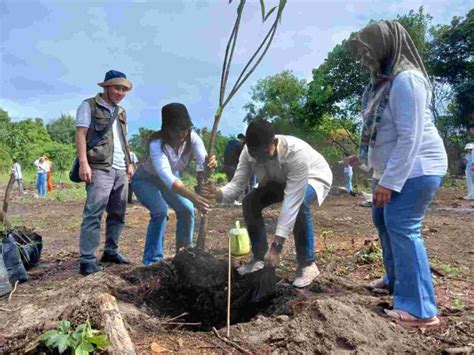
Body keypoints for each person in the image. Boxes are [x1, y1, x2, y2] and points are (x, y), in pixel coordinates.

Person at [345, 21, 448, 328]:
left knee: (402, 226)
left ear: (385, 47)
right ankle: (397, 280)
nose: (365, 58)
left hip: (417, 169)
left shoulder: (407, 80)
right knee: (383, 220)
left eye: (368, 51)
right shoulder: (382, 83)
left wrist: (389, 182)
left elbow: (410, 137)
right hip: (395, 170)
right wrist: (365, 162)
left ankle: (419, 309)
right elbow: (384, 135)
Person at [202, 119, 333, 288]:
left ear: (275, 143)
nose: (260, 160)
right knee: (250, 202)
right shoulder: (249, 153)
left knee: (300, 205)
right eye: (256, 155)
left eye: (264, 154)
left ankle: (307, 263)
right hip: (278, 179)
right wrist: (218, 193)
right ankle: (259, 258)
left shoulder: (295, 153)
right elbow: (237, 185)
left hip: (312, 176)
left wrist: (276, 246)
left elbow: (291, 202)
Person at [131, 103, 215, 266]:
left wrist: (209, 165)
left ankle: (184, 256)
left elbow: (202, 165)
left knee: (187, 210)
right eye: (175, 129)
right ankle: (152, 261)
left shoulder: (193, 138)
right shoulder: (156, 144)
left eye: (184, 129)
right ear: (166, 129)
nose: (180, 134)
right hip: (146, 179)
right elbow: (167, 177)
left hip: (171, 179)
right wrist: (194, 197)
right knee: (160, 211)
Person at [75, 70, 134, 276]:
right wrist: (84, 163)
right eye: (117, 88)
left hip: (120, 168)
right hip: (99, 166)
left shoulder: (121, 112)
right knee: (94, 212)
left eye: (124, 89)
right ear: (106, 87)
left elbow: (123, 139)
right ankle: (87, 259)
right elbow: (81, 134)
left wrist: (129, 162)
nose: (120, 92)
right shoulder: (89, 105)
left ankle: (111, 251)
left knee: (118, 213)